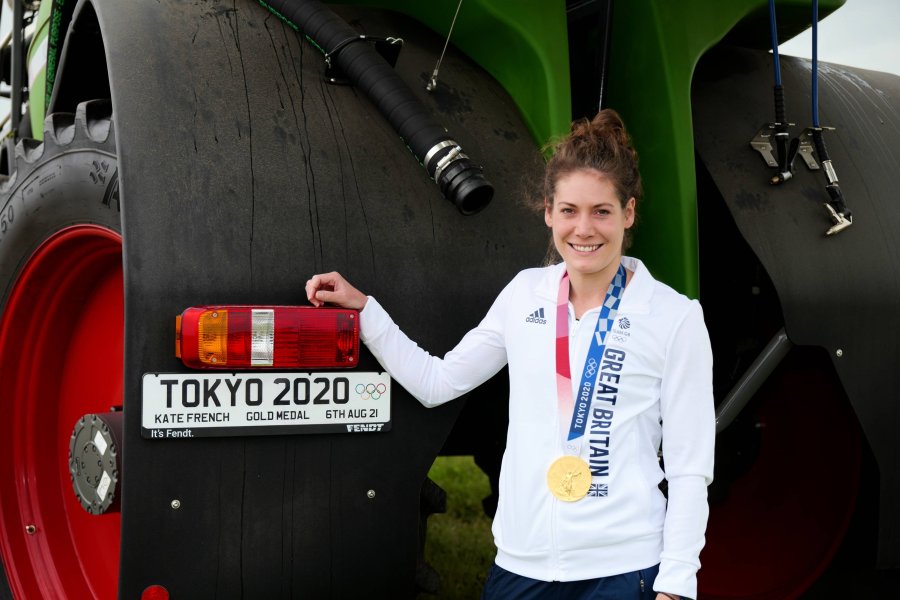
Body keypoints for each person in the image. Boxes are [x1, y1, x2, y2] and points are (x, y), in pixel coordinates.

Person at [305, 109, 714, 600]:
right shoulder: (524, 295)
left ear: (628, 213)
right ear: (548, 212)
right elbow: (438, 383)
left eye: (602, 211)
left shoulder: (674, 316)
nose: (584, 229)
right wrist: (366, 312)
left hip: (624, 569)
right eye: (569, 210)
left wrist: (676, 583)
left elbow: (691, 466)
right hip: (521, 565)